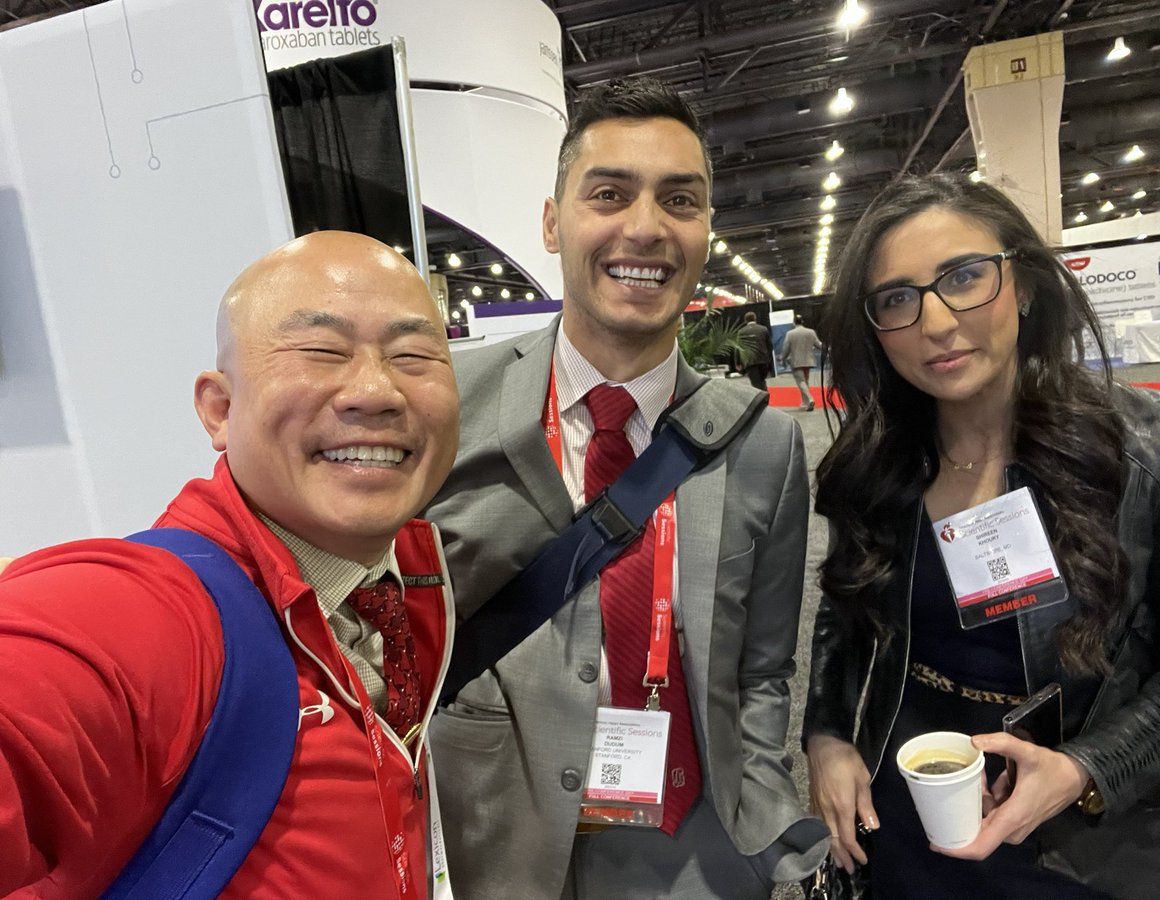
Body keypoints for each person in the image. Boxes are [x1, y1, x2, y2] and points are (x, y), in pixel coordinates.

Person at [425, 77, 828, 900]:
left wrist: (759, 816)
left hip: (694, 850)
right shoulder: (443, 406)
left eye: (680, 200)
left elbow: (763, 668)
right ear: (551, 220)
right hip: (493, 844)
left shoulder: (764, 443)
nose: (644, 227)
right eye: (609, 193)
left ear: (707, 230)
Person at [0, 232, 461, 898]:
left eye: (414, 355)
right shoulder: (147, 614)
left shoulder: (402, 587)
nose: (375, 390)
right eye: (322, 351)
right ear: (219, 409)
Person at [802, 172, 1160, 899]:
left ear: (1022, 285)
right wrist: (826, 736)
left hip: (1081, 841)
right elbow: (845, 612)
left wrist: (1087, 770)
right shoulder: (876, 464)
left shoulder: (1158, 449)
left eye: (963, 277)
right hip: (910, 810)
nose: (937, 322)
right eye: (897, 298)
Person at [780, 313, 821, 410]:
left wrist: (783, 358)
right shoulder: (811, 332)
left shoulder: (790, 334)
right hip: (809, 360)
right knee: (805, 381)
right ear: (802, 321)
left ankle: (810, 399)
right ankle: (804, 402)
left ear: (794, 323)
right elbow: (819, 344)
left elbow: (786, 348)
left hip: (796, 361)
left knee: (801, 381)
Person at [737, 310, 773, 391]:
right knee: (762, 380)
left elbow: (739, 348)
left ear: (745, 320)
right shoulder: (764, 329)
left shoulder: (741, 332)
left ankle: (762, 399)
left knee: (756, 383)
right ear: (755, 318)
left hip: (750, 361)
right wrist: (769, 358)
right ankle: (765, 396)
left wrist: (738, 362)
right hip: (763, 360)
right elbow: (769, 345)